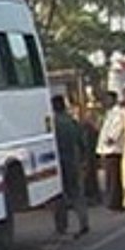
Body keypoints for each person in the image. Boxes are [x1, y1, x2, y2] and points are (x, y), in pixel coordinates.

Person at [51, 95, 89, 237]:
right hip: (73, 160)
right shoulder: (72, 122)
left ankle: (61, 226)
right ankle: (83, 222)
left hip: (58, 162)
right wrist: (84, 160)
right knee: (76, 193)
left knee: (58, 195)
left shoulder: (53, 123)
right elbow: (82, 142)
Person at [95, 91, 125, 211]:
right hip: (107, 149)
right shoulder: (110, 113)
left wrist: (111, 138)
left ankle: (114, 202)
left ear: (114, 99)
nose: (105, 102)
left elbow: (117, 128)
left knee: (113, 178)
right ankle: (111, 200)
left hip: (114, 149)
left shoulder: (118, 113)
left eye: (108, 99)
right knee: (109, 177)